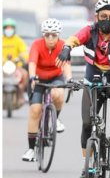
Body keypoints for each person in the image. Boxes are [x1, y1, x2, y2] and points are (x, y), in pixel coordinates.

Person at [56, 0, 110, 178]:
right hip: (94, 76)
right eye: (104, 15)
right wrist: (66, 48)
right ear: (97, 16)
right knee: (86, 123)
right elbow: (75, 38)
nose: (107, 19)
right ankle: (87, 168)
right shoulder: (89, 32)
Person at [22, 19, 73, 161]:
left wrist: (69, 79)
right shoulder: (37, 44)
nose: (50, 38)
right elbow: (32, 62)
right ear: (43, 35)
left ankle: (56, 119)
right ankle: (31, 149)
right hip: (38, 79)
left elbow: (66, 65)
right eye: (47, 35)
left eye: (54, 35)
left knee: (58, 93)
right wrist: (32, 77)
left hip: (55, 77)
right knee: (35, 110)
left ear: (58, 35)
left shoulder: (63, 46)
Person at [3, 18, 29, 106]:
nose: (9, 30)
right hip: (3, 66)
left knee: (25, 74)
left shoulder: (18, 40)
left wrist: (20, 57)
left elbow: (24, 52)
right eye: (7, 28)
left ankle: (22, 93)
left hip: (16, 66)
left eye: (11, 28)